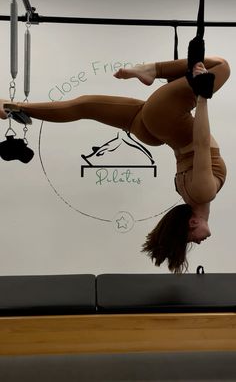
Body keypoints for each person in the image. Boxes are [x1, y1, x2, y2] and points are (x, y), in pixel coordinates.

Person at [0, 56, 230, 273]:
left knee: (222, 66)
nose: (198, 241)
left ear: (191, 222)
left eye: (191, 238)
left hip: (165, 119)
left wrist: (202, 97)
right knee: (86, 106)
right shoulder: (185, 193)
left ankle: (151, 70)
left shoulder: (202, 192)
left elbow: (200, 143)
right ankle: (16, 107)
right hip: (154, 130)